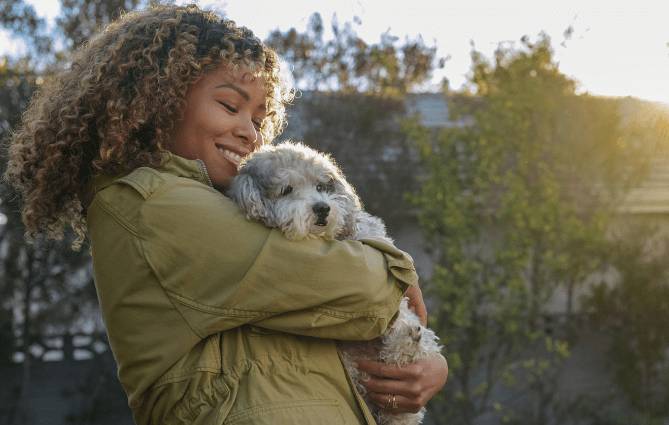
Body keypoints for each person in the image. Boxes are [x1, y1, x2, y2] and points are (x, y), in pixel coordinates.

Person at [4, 4, 447, 424]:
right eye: (230, 106)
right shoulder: (153, 204)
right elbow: (362, 290)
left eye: (258, 117)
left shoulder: (225, 207)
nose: (249, 133)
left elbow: (324, 330)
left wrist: (425, 364)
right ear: (161, 100)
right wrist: (396, 273)